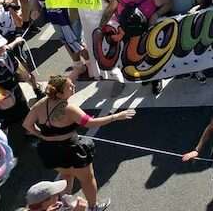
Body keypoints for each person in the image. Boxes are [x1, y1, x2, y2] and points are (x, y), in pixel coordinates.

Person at [23, 75, 136, 211]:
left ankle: (64, 204)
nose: (73, 87)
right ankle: (93, 207)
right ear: (59, 93)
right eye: (69, 86)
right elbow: (89, 123)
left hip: (50, 150)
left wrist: (42, 135)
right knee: (87, 179)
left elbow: (27, 125)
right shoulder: (69, 108)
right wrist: (116, 117)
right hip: (71, 149)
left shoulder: (41, 104)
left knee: (66, 175)